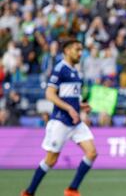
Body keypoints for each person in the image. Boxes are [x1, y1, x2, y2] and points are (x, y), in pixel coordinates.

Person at [21, 39, 97, 196]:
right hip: (60, 121)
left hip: (75, 122)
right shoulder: (60, 69)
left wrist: (79, 105)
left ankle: (72, 189)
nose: (80, 53)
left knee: (92, 153)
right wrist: (70, 108)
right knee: (51, 160)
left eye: (81, 49)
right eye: (77, 49)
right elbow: (50, 93)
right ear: (68, 51)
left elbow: (68, 96)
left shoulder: (76, 71)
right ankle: (29, 192)